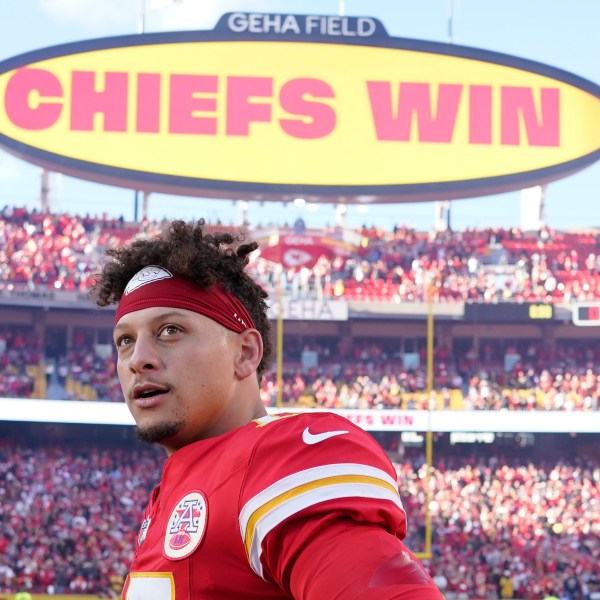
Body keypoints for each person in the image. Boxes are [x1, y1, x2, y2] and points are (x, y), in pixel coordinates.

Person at [91, 219, 443, 600]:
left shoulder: (276, 463)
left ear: (245, 354)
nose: (137, 359)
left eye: (170, 330)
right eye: (125, 340)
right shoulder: (181, 483)